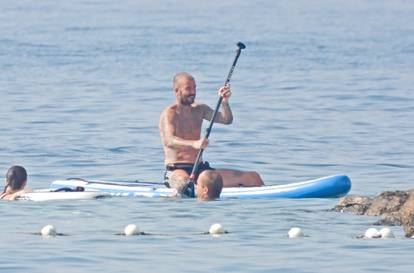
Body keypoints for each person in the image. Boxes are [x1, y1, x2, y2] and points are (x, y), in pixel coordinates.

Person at [159, 72, 264, 196]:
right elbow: (169, 140)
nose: (193, 92)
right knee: (186, 185)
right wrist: (194, 144)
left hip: (200, 169)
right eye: (188, 88)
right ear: (177, 90)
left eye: (195, 87)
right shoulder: (169, 114)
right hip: (176, 170)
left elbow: (226, 120)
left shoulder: (200, 109)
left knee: (252, 178)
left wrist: (225, 102)